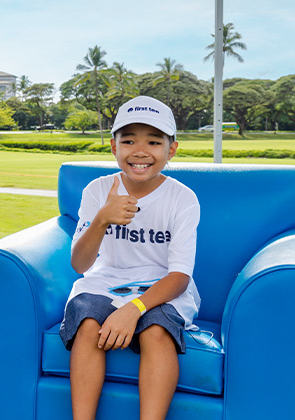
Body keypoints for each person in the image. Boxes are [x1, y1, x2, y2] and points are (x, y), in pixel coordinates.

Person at [62, 95, 200, 420]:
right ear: (114, 147)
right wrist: (102, 219)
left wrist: (133, 310)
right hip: (106, 282)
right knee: (87, 325)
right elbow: (80, 265)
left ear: (172, 149)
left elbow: (180, 276)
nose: (140, 151)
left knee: (156, 332)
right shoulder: (97, 190)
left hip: (163, 288)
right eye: (128, 140)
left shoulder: (183, 199)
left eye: (154, 141)